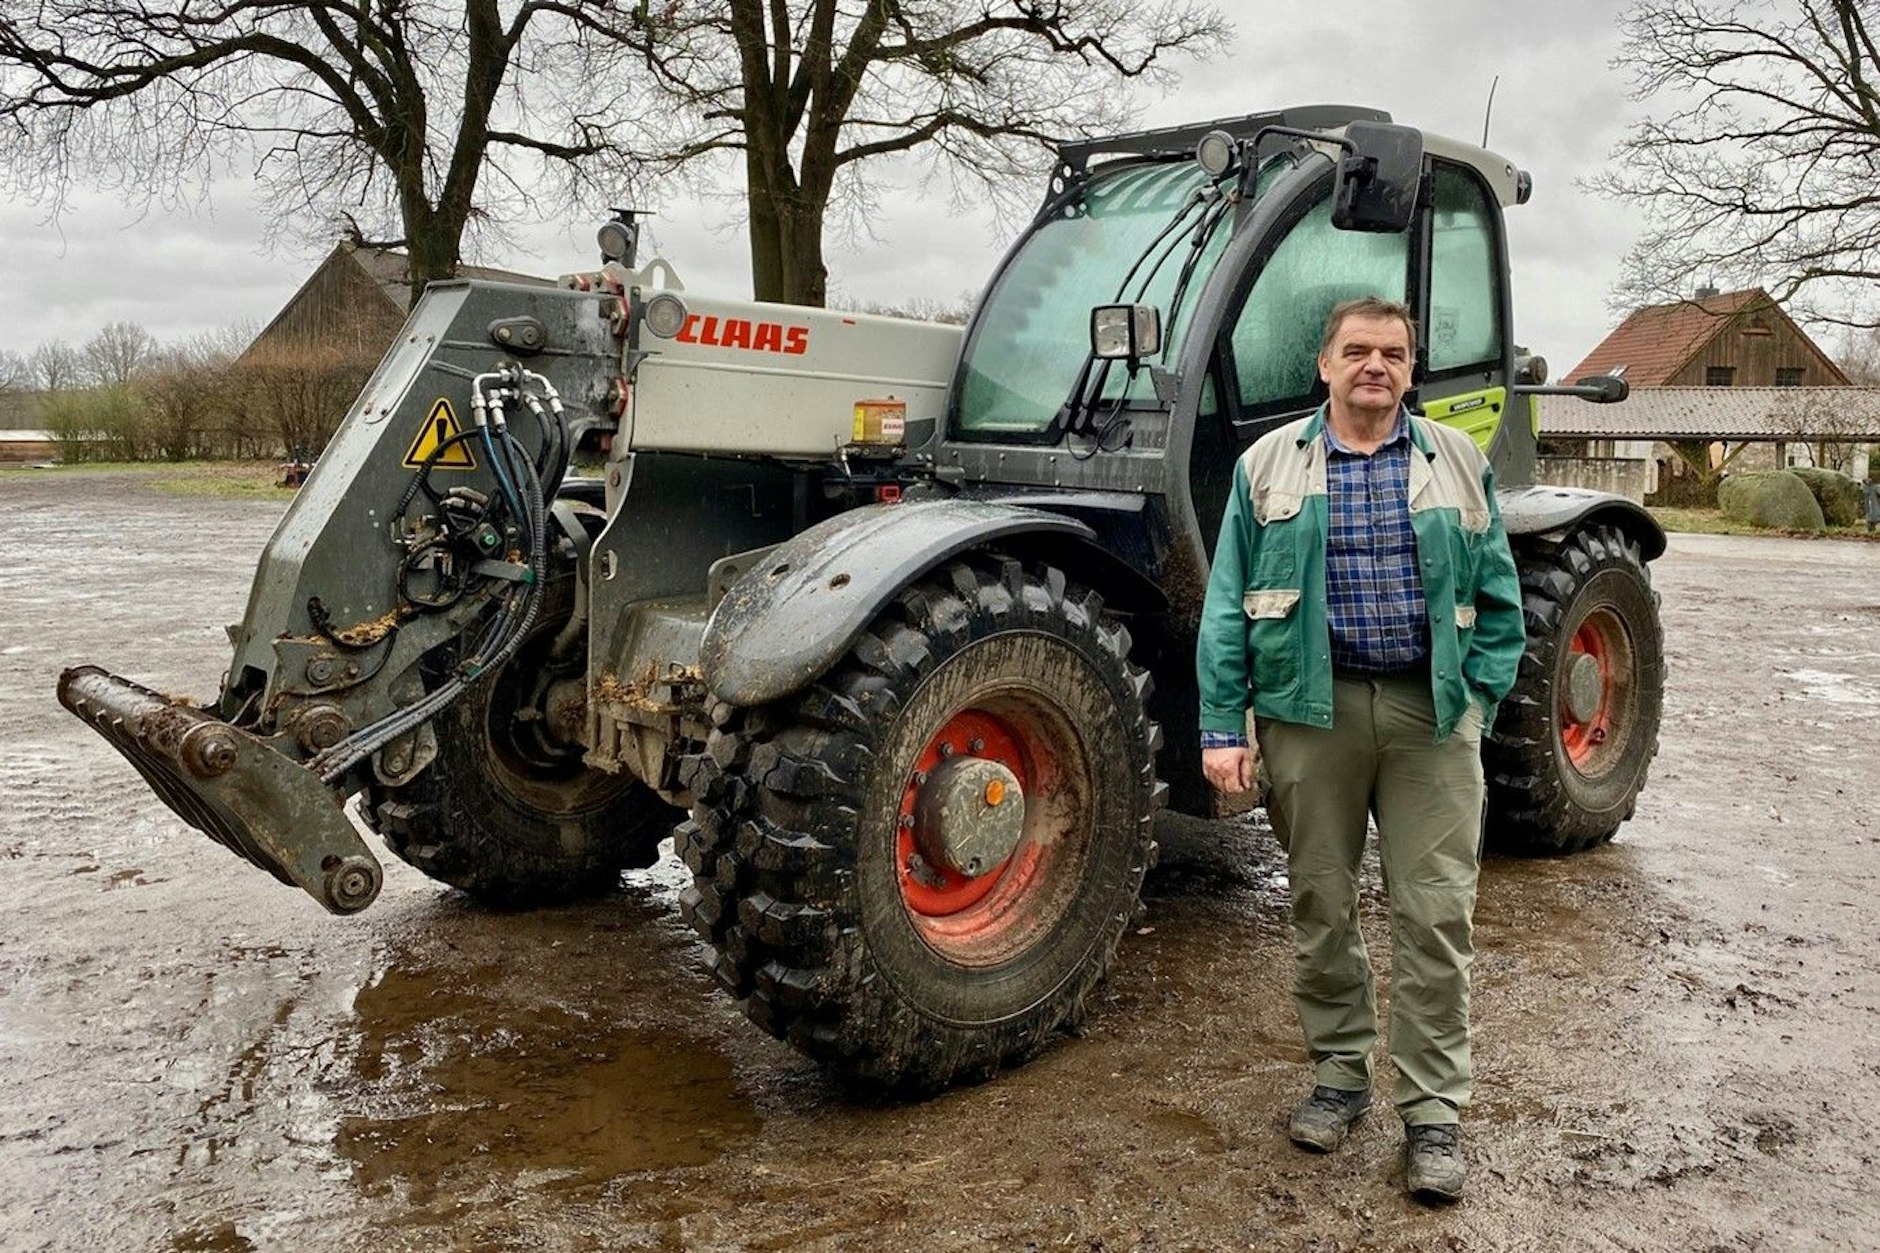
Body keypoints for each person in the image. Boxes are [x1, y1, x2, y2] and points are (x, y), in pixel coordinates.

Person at [1195, 296, 1524, 1202]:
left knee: (1436, 914)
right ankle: (1340, 1075)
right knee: (1321, 901)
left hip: (1431, 718)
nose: (1375, 365)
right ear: (1325, 365)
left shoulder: (1457, 461)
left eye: (1392, 353)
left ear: (1411, 370)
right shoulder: (1267, 465)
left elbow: (1501, 599)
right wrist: (1223, 727)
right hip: (1310, 714)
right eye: (1357, 351)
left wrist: (1476, 703)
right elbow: (1226, 603)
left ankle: (1432, 1112)